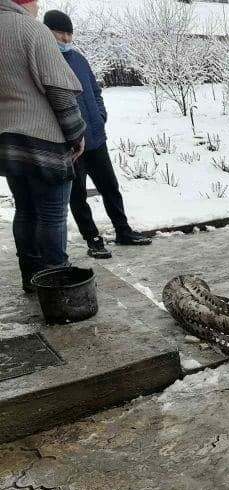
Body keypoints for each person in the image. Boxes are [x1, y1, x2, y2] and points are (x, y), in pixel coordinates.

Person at [44, 10, 152, 259]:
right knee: (78, 195)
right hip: (70, 144)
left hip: (95, 138)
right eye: (60, 33)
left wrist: (100, 116)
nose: (65, 39)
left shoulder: (79, 60)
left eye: (68, 33)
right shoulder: (47, 62)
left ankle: (123, 231)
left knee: (110, 187)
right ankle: (92, 239)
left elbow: (95, 91)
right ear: (47, 32)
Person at [0, 0, 85, 293]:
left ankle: (31, 277)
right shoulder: (32, 30)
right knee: (52, 215)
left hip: (8, 142)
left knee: (25, 210)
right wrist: (76, 134)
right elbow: (58, 90)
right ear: (27, 2)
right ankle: (57, 284)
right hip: (44, 140)